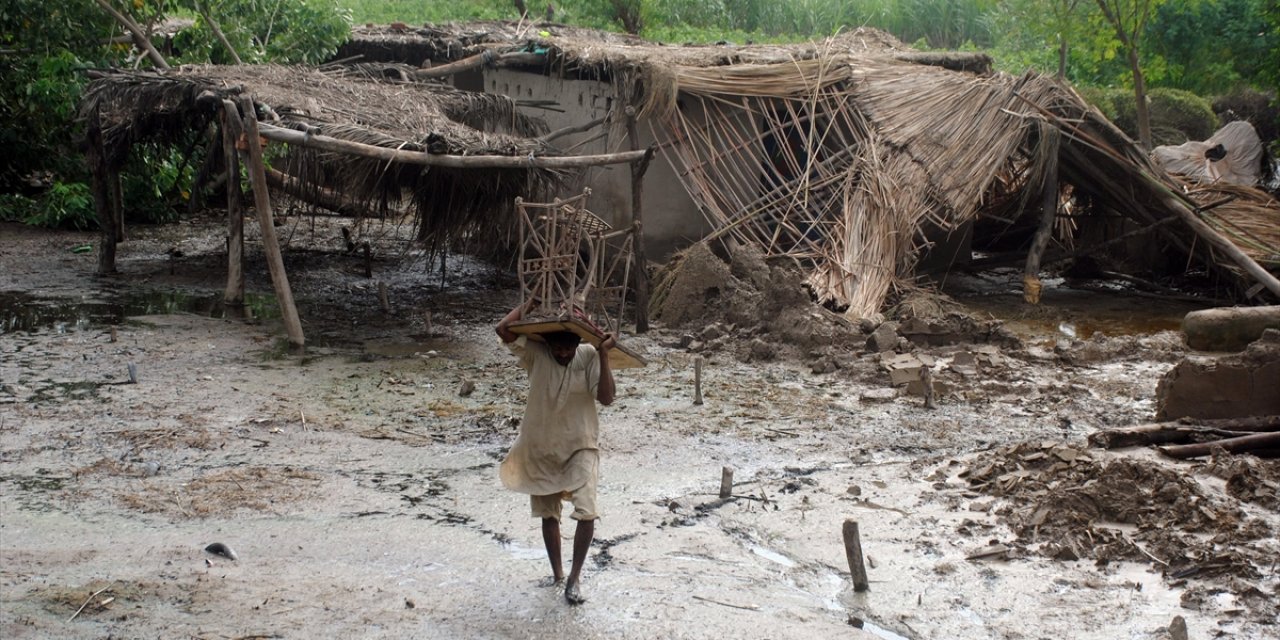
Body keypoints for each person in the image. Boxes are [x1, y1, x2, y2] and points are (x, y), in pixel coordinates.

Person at [496, 301, 616, 605]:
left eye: (568, 348)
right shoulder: (536, 355)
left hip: (581, 444)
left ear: (579, 343)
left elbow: (607, 398)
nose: (563, 354)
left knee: (587, 511)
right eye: (557, 348)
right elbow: (502, 329)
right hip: (542, 445)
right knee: (548, 514)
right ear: (547, 344)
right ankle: (558, 573)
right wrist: (533, 301)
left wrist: (603, 352)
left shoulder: (588, 356)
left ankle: (574, 578)